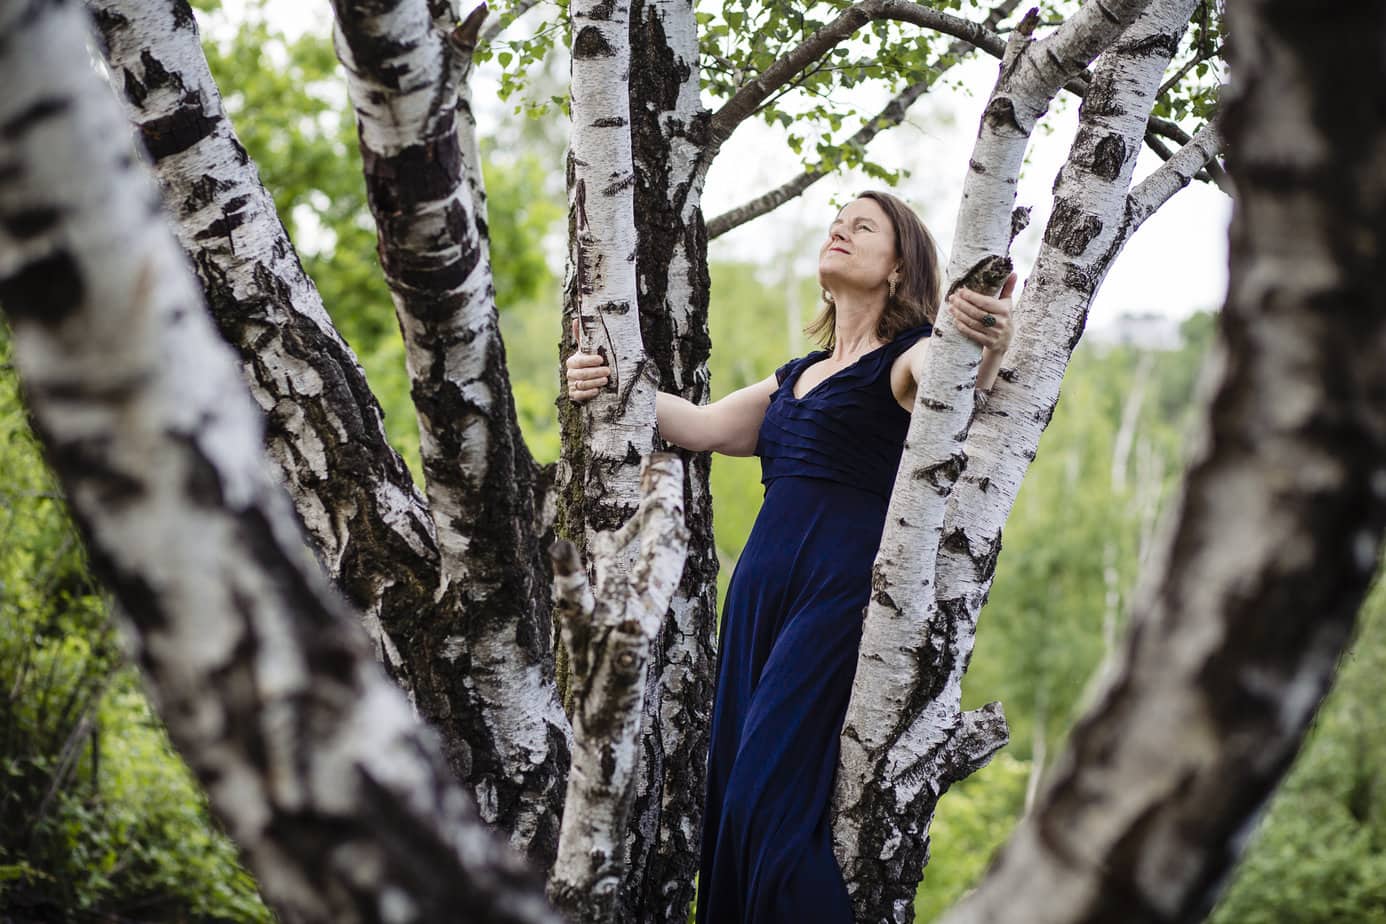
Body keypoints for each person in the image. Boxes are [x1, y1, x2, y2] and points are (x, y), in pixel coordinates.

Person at [566, 190, 1015, 923]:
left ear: (900, 269)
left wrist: (988, 338)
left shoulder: (906, 361)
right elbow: (702, 426)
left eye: (862, 226)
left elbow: (958, 379)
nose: (839, 228)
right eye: (836, 221)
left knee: (764, 801)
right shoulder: (796, 375)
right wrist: (610, 381)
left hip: (837, 598)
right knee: (732, 807)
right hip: (757, 603)